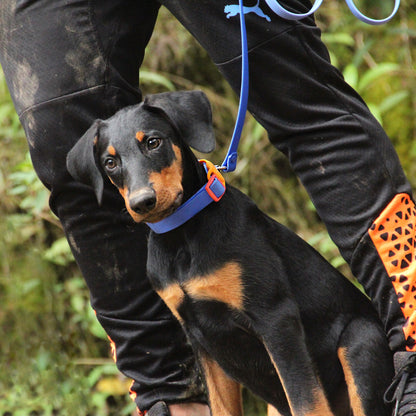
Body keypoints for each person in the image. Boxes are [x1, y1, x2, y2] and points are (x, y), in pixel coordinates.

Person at [0, 0, 414, 415]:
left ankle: (412, 342)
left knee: (297, 94)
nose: (140, 191)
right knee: (58, 131)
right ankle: (167, 396)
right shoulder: (155, 254)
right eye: (112, 164)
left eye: (155, 145)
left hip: (345, 354)